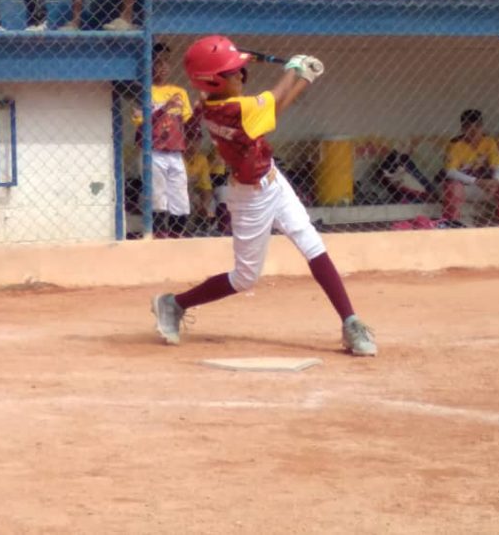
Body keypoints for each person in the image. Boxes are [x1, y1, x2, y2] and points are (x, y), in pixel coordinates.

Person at [150, 36, 377, 356]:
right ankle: (174, 304)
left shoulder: (211, 102)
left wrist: (302, 76)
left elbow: (273, 106)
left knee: (311, 242)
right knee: (244, 278)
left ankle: (350, 322)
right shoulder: (234, 110)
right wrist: (296, 72)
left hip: (273, 180)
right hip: (249, 197)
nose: (242, 75)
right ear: (214, 82)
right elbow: (277, 100)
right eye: (233, 72)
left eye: (239, 69)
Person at [131, 44, 194, 239]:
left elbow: (188, 121)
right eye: (158, 62)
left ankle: (176, 234)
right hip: (153, 151)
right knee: (158, 198)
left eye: (166, 61)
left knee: (180, 197)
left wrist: (201, 108)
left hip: (175, 151)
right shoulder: (142, 91)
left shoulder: (179, 91)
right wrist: (164, 108)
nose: (164, 66)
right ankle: (159, 235)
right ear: (149, 65)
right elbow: (142, 123)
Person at [440, 108, 499, 227]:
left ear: (482, 127)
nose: (474, 131)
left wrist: (495, 181)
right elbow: (450, 172)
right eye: (469, 127)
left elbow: (497, 167)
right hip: (466, 187)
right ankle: (452, 223)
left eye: (477, 127)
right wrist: (477, 181)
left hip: (487, 186)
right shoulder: (455, 144)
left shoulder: (488, 142)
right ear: (463, 129)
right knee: (454, 188)